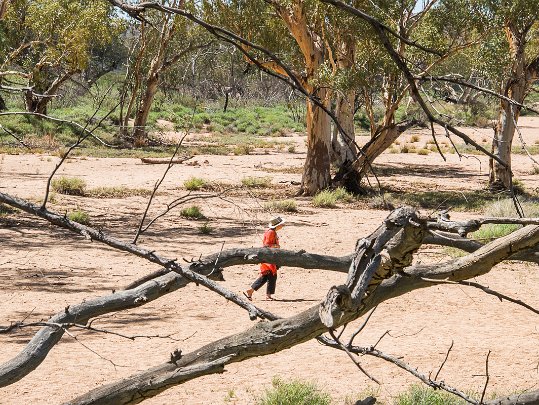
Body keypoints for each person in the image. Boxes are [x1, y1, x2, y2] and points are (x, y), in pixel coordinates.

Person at [243, 216, 285, 301]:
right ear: (277, 225)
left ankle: (250, 291)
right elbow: (267, 245)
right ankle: (268, 295)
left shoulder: (272, 231)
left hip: (269, 256)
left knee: (266, 276)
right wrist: (276, 246)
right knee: (272, 275)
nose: (283, 225)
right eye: (281, 224)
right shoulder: (271, 232)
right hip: (268, 256)